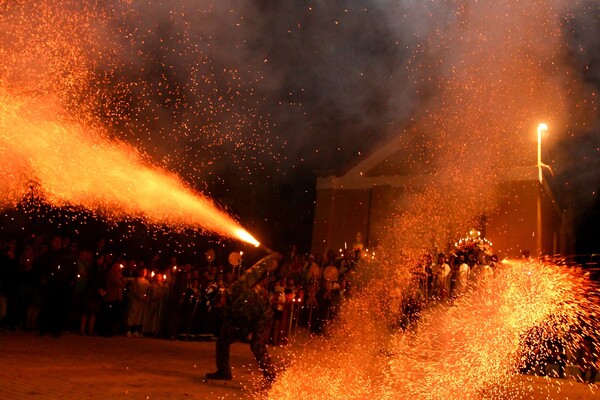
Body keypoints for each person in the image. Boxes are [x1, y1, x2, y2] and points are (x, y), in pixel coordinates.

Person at [205, 252, 283, 383]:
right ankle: (224, 372)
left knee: (257, 345)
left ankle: (271, 377)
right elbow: (229, 324)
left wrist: (270, 257)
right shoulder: (225, 310)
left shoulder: (238, 287)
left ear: (221, 295)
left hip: (262, 316)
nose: (218, 306)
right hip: (244, 322)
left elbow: (255, 270)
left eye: (217, 302)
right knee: (222, 341)